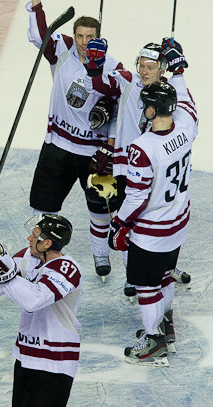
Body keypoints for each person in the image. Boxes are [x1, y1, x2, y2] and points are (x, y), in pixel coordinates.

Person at [25, 0, 124, 279]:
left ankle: (100, 255)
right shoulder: (63, 51)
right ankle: (36, 258)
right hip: (58, 147)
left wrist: (110, 143)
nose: (83, 42)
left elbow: (121, 109)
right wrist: (37, 2)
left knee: (102, 208)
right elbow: (41, 35)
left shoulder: (114, 68)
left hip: (97, 153)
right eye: (79, 35)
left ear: (98, 38)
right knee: (43, 207)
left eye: (89, 36)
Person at [84, 38, 193, 294]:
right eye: (141, 65)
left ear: (162, 68)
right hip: (129, 167)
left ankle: (166, 267)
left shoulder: (169, 93)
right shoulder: (126, 80)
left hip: (163, 168)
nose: (144, 71)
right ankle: (132, 276)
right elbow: (99, 84)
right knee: (133, 222)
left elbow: (187, 121)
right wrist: (95, 64)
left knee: (169, 216)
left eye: (151, 66)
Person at [108, 80, 198, 366]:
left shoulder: (142, 146)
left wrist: (119, 223)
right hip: (178, 221)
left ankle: (153, 341)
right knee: (164, 275)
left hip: (152, 231)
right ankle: (164, 327)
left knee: (146, 287)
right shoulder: (185, 129)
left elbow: (137, 196)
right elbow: (190, 108)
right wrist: (179, 73)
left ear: (151, 109)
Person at [0, 214, 81, 407]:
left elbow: (34, 300)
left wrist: (6, 275)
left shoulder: (67, 268)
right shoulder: (26, 257)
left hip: (55, 360)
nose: (29, 238)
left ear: (47, 243)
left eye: (34, 235)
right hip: (25, 355)